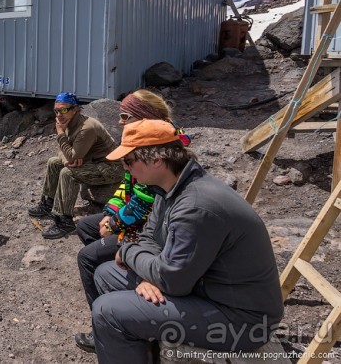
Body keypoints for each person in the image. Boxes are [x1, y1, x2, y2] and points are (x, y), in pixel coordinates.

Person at [87, 120, 283, 362]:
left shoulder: (195, 205)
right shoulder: (169, 186)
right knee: (105, 273)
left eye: (129, 161)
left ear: (157, 159)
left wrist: (127, 252)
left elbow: (172, 280)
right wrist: (146, 277)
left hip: (241, 320)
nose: (127, 170)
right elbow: (149, 235)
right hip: (206, 290)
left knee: (107, 311)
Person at [74, 90, 190, 352]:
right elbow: (127, 187)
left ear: (143, 116)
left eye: (125, 115)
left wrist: (115, 224)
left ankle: (105, 324)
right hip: (135, 222)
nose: (119, 121)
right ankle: (117, 287)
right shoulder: (141, 143)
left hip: (145, 227)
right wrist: (109, 214)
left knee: (87, 258)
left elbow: (144, 202)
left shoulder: (156, 148)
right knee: (86, 226)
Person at [28, 92, 123, 239]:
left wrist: (61, 135)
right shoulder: (68, 122)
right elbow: (63, 150)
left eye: (64, 110)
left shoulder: (86, 127)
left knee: (68, 173)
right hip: (91, 162)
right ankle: (48, 204)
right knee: (54, 162)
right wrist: (67, 157)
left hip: (109, 168)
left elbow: (72, 155)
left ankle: (64, 221)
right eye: (57, 110)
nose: (59, 114)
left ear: (75, 109)